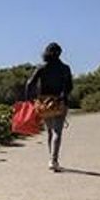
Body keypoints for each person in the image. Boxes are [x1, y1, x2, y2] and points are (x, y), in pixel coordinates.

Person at [24, 42, 74, 172]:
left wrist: (29, 100)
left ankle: (51, 159)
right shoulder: (65, 68)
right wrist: (63, 96)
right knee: (57, 131)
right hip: (59, 102)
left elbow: (29, 84)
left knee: (50, 131)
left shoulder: (42, 67)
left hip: (43, 103)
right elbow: (69, 87)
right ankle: (54, 160)